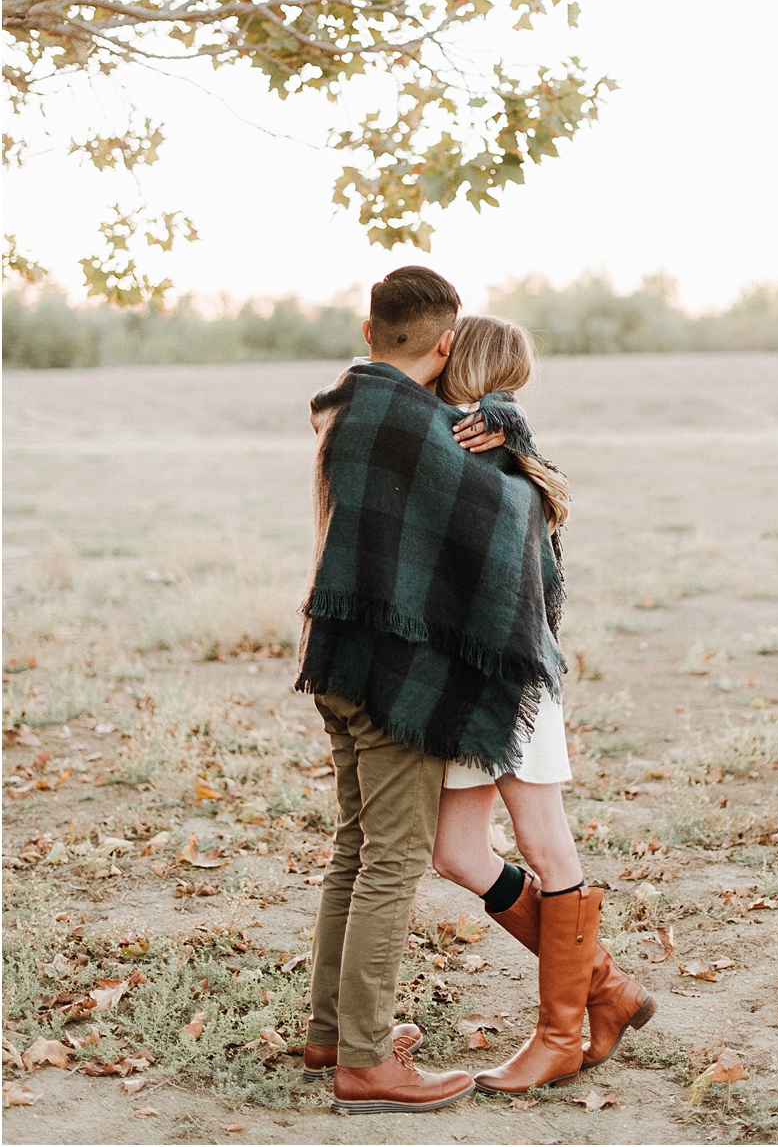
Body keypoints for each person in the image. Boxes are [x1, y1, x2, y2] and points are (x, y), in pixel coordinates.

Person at [295, 268, 566, 1113]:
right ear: (447, 343)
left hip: (336, 660)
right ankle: (367, 1065)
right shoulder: (421, 426)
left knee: (354, 848)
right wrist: (514, 436)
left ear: (369, 332)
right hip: (393, 676)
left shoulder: (351, 403)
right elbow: (514, 513)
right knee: (391, 864)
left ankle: (332, 1031)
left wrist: (503, 427)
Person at [432, 314, 656, 1094]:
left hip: (513, 678)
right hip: (465, 682)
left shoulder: (496, 452)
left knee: (546, 845)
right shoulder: (485, 443)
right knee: (456, 853)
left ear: (460, 363)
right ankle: (609, 989)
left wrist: (506, 426)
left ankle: (560, 1036)